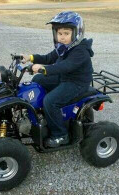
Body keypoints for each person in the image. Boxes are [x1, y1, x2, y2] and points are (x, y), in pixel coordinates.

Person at [22, 11, 94, 148]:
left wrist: (44, 69)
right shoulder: (63, 47)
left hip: (76, 83)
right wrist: (30, 57)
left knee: (50, 101)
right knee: (38, 79)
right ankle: (42, 114)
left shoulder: (80, 51)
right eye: (59, 33)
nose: (62, 37)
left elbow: (65, 66)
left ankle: (60, 135)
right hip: (65, 78)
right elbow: (48, 58)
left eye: (66, 34)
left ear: (76, 32)